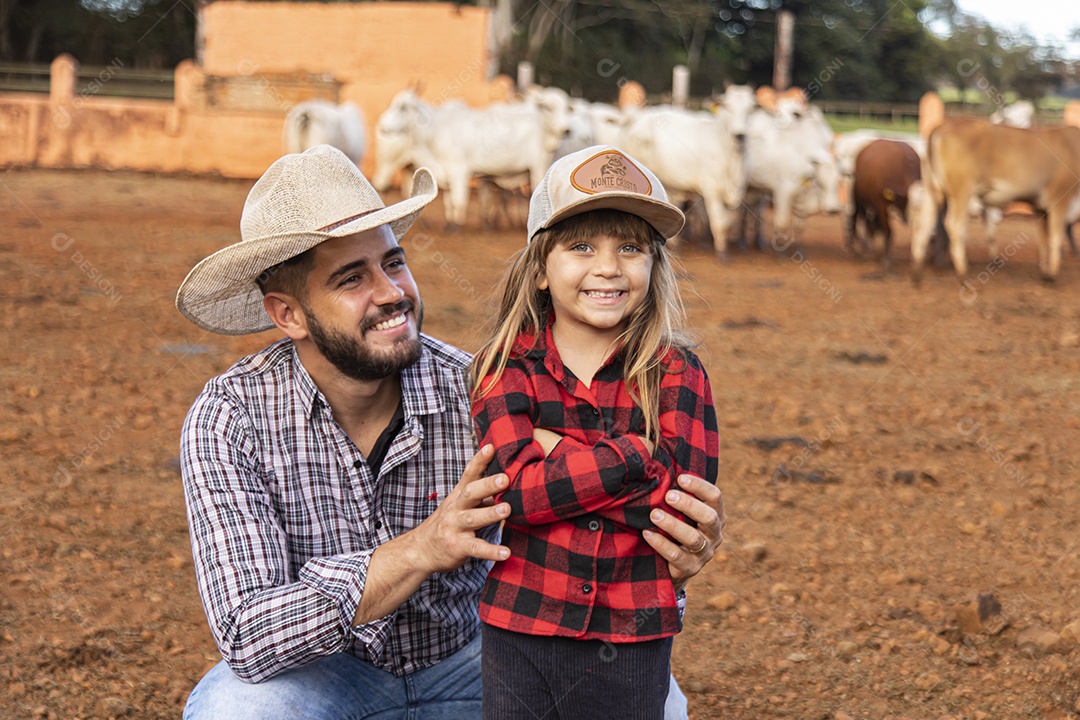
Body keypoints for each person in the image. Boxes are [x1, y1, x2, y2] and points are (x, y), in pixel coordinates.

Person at [174, 144, 725, 719]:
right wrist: (420, 549)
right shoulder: (230, 418)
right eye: (350, 279)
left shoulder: (475, 383)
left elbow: (639, 498)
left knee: (659, 706)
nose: (392, 293)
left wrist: (681, 544)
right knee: (236, 711)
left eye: (393, 263)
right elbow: (246, 632)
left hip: (480, 651)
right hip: (325, 676)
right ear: (287, 314)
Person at [470, 145, 720, 720]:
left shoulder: (678, 372)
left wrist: (556, 453)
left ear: (653, 265)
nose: (608, 267)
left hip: (632, 634)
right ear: (539, 270)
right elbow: (513, 495)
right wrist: (638, 455)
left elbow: (673, 514)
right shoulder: (503, 365)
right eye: (581, 246)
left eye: (629, 248)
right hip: (520, 629)